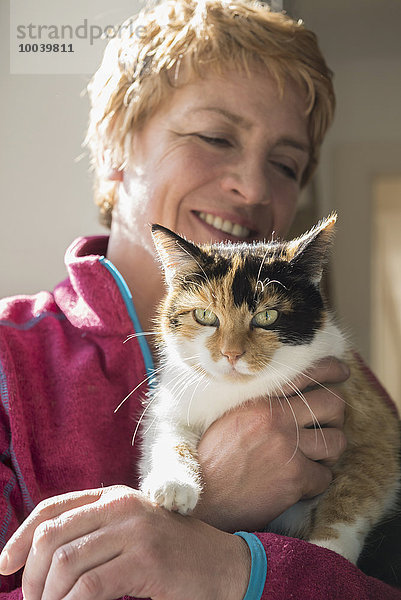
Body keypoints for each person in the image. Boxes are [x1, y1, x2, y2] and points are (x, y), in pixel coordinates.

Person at [0, 1, 399, 598]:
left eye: (286, 165)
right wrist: (206, 504)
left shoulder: (335, 376)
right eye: (215, 137)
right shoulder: (9, 361)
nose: (255, 187)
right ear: (114, 151)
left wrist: (238, 569)